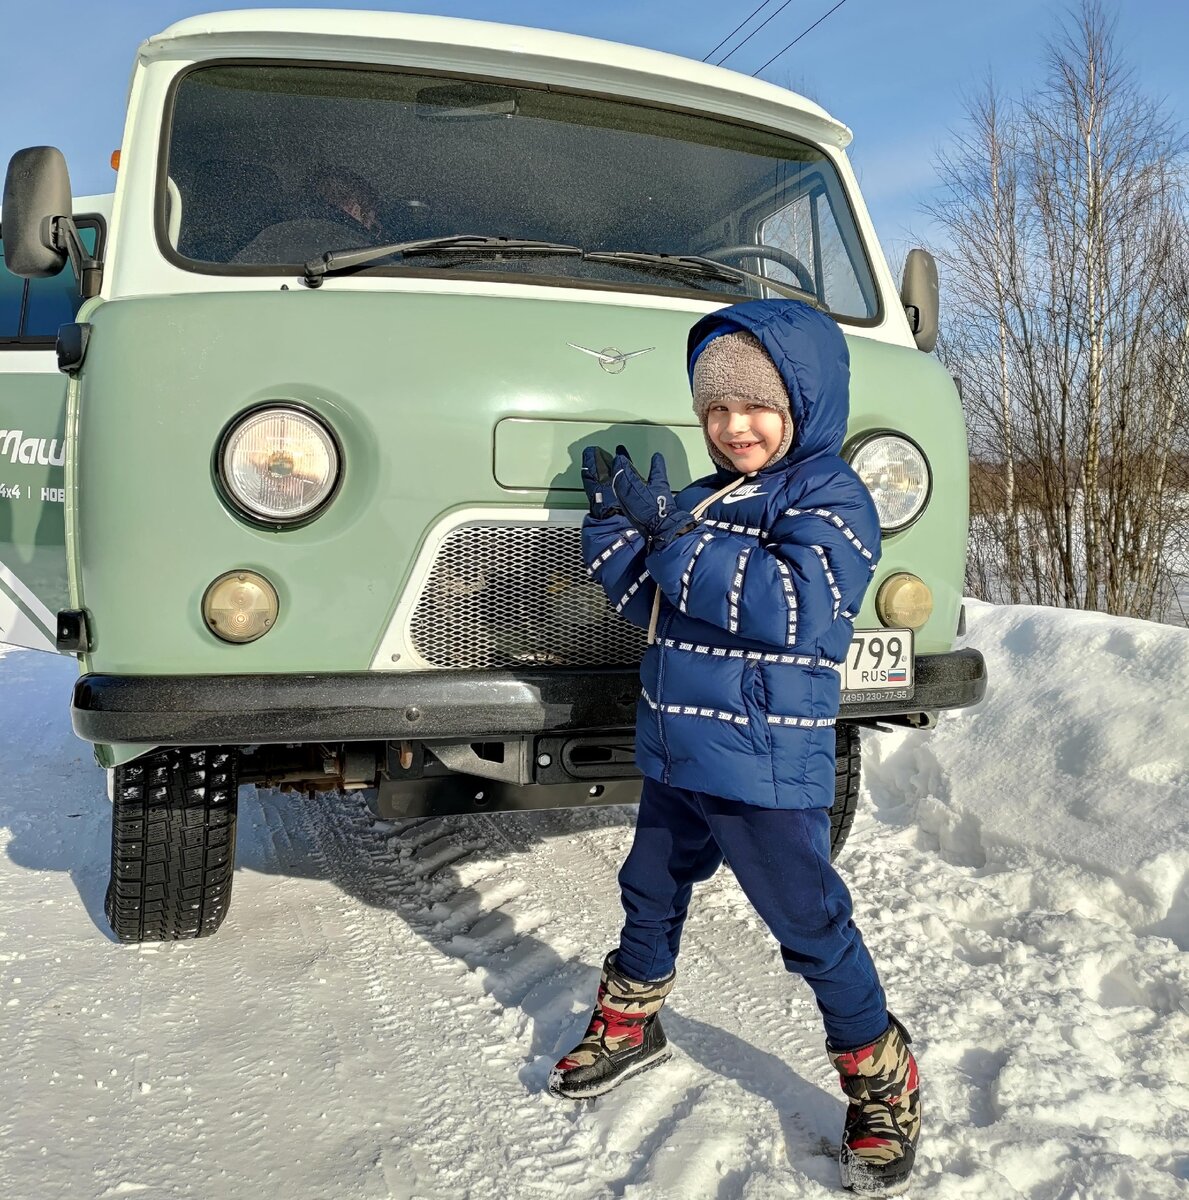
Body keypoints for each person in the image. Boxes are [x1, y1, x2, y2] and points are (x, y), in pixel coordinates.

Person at [553, 298, 921, 1198]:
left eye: (756, 406)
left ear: (803, 402)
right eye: (715, 410)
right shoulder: (705, 497)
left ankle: (880, 1074)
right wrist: (615, 534)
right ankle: (632, 1020)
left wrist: (672, 535)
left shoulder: (832, 497)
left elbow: (784, 609)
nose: (733, 426)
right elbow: (655, 604)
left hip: (759, 750)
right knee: (648, 887)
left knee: (805, 919)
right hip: (678, 745)